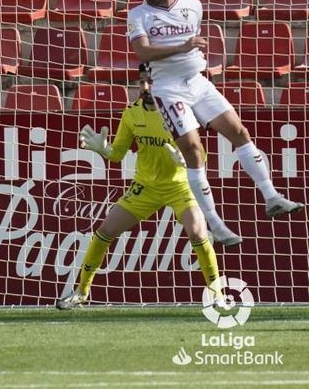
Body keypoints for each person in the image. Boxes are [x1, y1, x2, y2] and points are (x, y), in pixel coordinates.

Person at [127, 0, 303, 220]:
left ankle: (272, 197)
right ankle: (212, 221)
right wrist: (181, 48)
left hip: (198, 82)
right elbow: (142, 52)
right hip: (168, 88)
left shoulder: (193, 6)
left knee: (240, 132)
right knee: (193, 151)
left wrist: (188, 50)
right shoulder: (138, 14)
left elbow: (193, 43)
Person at [57, 65, 226, 309]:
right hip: (145, 187)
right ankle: (81, 292)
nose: (146, 87)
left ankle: (217, 295)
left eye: (152, 82)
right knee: (104, 232)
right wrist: (104, 149)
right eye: (142, 82)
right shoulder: (131, 113)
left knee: (199, 234)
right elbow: (117, 154)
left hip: (180, 186)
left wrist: (186, 158)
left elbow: (200, 154)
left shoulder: (178, 111)